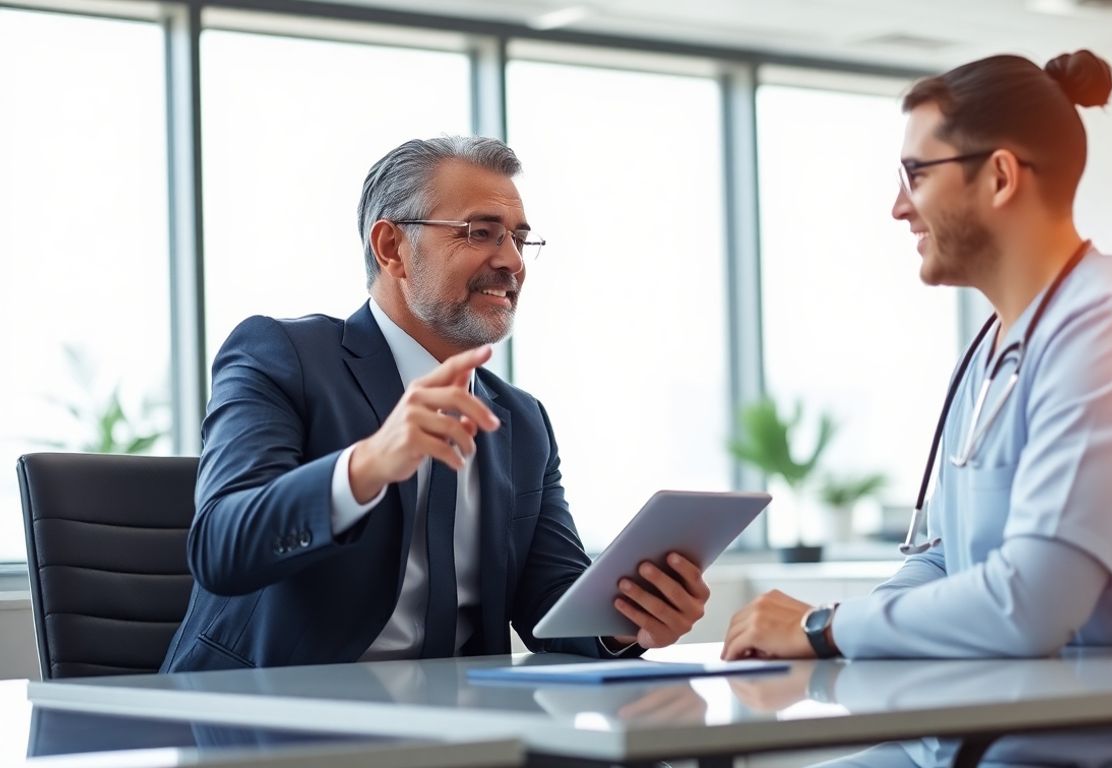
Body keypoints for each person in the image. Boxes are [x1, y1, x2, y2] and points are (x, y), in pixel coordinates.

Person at [722, 50, 1112, 663]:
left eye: (916, 174)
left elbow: (1032, 603)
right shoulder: (995, 351)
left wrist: (822, 627)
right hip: (1002, 724)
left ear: (1000, 177)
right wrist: (828, 635)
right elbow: (943, 556)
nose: (898, 206)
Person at [163, 136, 709, 672]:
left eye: (520, 238)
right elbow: (221, 546)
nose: (512, 261)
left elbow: (553, 607)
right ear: (391, 247)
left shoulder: (521, 421)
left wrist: (625, 618)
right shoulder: (284, 357)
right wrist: (367, 465)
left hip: (458, 726)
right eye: (481, 233)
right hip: (272, 724)